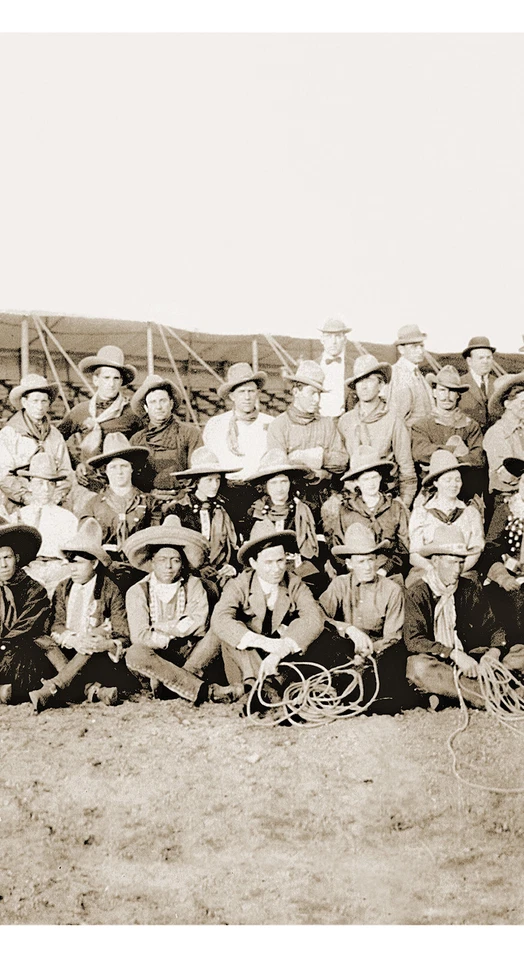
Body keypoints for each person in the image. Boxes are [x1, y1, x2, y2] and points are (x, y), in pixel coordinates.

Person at [193, 530, 325, 701]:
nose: (276, 569)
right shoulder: (239, 584)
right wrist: (265, 643)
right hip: (244, 663)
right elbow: (220, 618)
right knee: (232, 629)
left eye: (280, 561)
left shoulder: (294, 583)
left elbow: (313, 618)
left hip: (277, 662)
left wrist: (280, 651)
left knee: (307, 634)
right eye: (268, 562)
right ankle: (261, 686)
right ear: (253, 563)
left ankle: (258, 689)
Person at [404, 527, 518, 709]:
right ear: (435, 561)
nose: (457, 569)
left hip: (472, 656)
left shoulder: (469, 588)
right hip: (439, 660)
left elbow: (494, 628)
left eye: (461, 562)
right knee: (417, 667)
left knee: (519, 651)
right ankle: (490, 694)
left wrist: (493, 653)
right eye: (451, 562)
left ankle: (451, 693)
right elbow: (414, 640)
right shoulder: (418, 593)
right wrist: (453, 654)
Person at [124, 516, 233, 704]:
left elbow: (199, 625)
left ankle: (170, 685)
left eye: (175, 560)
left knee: (219, 630)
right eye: (162, 560)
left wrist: (160, 628)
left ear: (182, 563)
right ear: (152, 562)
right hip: (156, 657)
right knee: (134, 653)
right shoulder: (137, 591)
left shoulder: (193, 584)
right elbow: (140, 636)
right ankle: (203, 691)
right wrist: (176, 630)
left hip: (192, 655)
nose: (168, 566)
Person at [28, 519, 132, 712]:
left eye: (77, 563)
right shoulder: (63, 587)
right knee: (42, 640)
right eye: (69, 563)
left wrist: (103, 642)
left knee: (92, 641)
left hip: (95, 658)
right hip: (68, 652)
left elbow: (122, 634)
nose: (72, 568)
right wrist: (74, 639)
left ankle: (54, 687)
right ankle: (92, 690)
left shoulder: (110, 590)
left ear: (93, 563)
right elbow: (56, 625)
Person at [319, 524, 408, 713]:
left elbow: (393, 638)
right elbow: (318, 615)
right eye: (361, 562)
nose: (368, 567)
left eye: (370, 560)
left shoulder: (391, 590)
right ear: (349, 563)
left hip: (378, 657)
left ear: (376, 560)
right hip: (345, 654)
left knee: (394, 658)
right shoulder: (340, 585)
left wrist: (368, 652)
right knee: (325, 643)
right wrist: (348, 629)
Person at [337, 353, 416, 507]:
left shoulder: (394, 420)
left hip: (386, 497)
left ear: (380, 385)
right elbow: (339, 468)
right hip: (353, 501)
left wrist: (401, 506)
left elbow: (407, 472)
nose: (364, 386)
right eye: (360, 381)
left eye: (369, 380)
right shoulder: (345, 421)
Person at [58, 345, 142, 487]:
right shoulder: (80, 411)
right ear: (96, 380)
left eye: (116, 378)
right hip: (88, 483)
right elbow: (57, 438)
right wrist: (76, 464)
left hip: (120, 482)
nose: (111, 384)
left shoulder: (132, 412)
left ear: (121, 381)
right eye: (106, 377)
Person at [321, 447, 410, 581]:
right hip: (355, 575)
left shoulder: (395, 508)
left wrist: (384, 570)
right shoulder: (346, 510)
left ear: (380, 477)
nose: (371, 484)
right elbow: (338, 548)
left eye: (374, 477)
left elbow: (404, 548)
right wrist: (355, 572)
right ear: (356, 481)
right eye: (365, 479)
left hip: (390, 575)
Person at [244, 448, 325, 593]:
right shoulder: (254, 512)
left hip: (301, 569)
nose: (279, 488)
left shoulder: (306, 510)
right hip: (267, 570)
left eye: (283, 482)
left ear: (290, 483)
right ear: (265, 486)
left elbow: (319, 547)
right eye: (273, 483)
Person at [0, 522, 63, 705]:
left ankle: (10, 691)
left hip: (20, 648)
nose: (3, 565)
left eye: (7, 557)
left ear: (17, 558)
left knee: (25, 664)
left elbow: (27, 628)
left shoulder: (34, 590)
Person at [82, 433, 153, 593]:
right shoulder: (93, 505)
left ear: (132, 468)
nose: (119, 472)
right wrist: (108, 564)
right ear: (105, 471)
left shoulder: (148, 503)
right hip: (104, 571)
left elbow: (155, 541)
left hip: (141, 570)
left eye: (124, 466)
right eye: (113, 467)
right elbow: (86, 545)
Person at [266, 360, 347, 497]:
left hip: (324, 495)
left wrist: (319, 456)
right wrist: (317, 471)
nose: (317, 399)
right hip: (291, 497)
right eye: (312, 393)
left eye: (319, 394)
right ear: (296, 391)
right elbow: (277, 469)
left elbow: (342, 461)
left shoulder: (327, 424)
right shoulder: (279, 425)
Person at [410, 364, 486, 502]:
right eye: (442, 390)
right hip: (431, 492)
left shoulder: (470, 425)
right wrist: (455, 451)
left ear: (458, 395)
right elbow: (420, 452)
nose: (447, 396)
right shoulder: (421, 425)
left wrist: (437, 459)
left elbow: (478, 458)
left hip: (464, 491)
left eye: (452, 391)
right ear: (434, 392)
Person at [168, 447, 240, 589]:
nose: (215, 485)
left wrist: (232, 567)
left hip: (220, 573)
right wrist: (196, 569)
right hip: (187, 574)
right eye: (209, 480)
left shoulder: (224, 509)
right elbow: (172, 549)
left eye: (218, 480)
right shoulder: (179, 509)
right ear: (196, 482)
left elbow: (234, 546)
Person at [0, 374, 74, 511]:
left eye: (44, 401)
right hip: (18, 503)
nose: (40, 407)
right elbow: (3, 475)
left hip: (52, 501)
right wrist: (27, 498)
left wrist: (56, 496)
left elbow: (66, 471)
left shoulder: (55, 435)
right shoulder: (9, 434)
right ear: (24, 402)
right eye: (35, 401)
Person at [408, 450, 484, 581]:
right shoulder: (422, 513)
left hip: (462, 572)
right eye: (448, 480)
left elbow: (476, 551)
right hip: (428, 571)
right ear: (436, 483)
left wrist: (456, 571)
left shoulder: (470, 513)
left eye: (457, 480)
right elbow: (414, 555)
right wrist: (437, 573)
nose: (453, 485)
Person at [16, 452, 78, 597]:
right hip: (29, 569)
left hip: (58, 570)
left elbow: (72, 554)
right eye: (40, 483)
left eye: (51, 484)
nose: (46, 489)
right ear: (29, 485)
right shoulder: (20, 517)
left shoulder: (68, 518)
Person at [481, 456, 524, 662]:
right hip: (509, 575)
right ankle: (515, 654)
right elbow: (491, 550)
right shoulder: (507, 510)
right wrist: (504, 576)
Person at [129, 374, 203, 492]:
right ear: (146, 408)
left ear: (171, 403)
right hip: (148, 500)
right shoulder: (136, 440)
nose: (158, 407)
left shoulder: (190, 434)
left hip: (181, 499)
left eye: (162, 401)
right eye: (153, 402)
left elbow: (198, 472)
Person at [202, 362, 273, 480]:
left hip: (260, 488)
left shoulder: (271, 423)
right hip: (227, 488)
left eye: (251, 391)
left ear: (258, 393)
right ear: (232, 396)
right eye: (241, 392)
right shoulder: (215, 425)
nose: (247, 397)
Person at [483, 372, 524, 497]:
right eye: (522, 403)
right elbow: (506, 475)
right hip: (507, 499)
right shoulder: (496, 433)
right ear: (508, 404)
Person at [387, 324, 434, 427]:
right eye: (414, 346)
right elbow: (397, 417)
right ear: (401, 350)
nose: (420, 351)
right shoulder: (396, 374)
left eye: (421, 346)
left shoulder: (417, 373)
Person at [317, 316, 352, 419]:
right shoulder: (312, 366)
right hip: (317, 424)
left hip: (345, 425)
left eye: (337, 336)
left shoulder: (354, 367)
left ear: (345, 339)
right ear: (322, 339)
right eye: (328, 336)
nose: (333, 341)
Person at [460, 336, 498, 431]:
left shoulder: (499, 384)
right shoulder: (459, 384)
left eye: (488, 357)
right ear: (469, 361)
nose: (485, 361)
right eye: (481, 358)